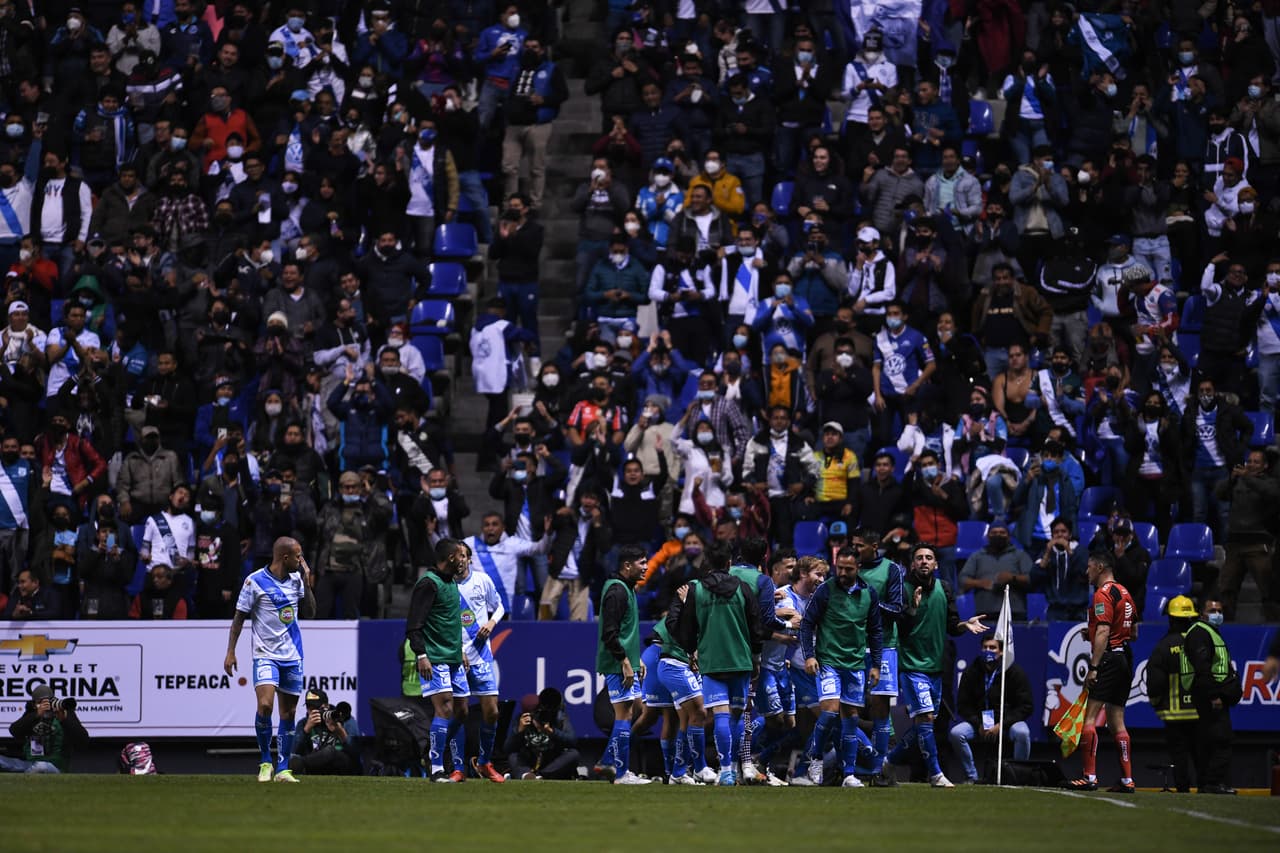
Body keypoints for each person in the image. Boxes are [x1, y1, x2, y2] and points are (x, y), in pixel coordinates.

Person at [887, 543, 988, 787]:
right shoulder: (903, 588)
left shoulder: (945, 588)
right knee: (926, 718)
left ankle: (888, 762)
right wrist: (912, 607)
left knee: (926, 723)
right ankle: (935, 774)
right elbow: (897, 625)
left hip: (935, 667)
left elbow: (952, 625)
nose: (923, 561)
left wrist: (964, 625)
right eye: (919, 557)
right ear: (912, 564)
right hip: (911, 665)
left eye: (928, 558)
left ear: (935, 564)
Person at [668, 540, 762, 786]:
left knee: (720, 714)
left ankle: (726, 770)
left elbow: (686, 627)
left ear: (707, 563)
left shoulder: (696, 590)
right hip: (741, 660)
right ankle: (736, 767)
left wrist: (691, 651)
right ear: (729, 563)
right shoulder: (743, 588)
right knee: (738, 715)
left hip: (711, 661)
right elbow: (755, 625)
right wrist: (757, 656)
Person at [223, 536, 316, 783]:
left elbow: (311, 613)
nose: (302, 560)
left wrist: (307, 584)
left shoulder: (297, 579)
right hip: (265, 655)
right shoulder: (254, 581)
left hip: (293, 655)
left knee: (289, 712)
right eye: (298, 556)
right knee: (265, 706)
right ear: (284, 557)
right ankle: (266, 762)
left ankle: (283, 769)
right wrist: (231, 651)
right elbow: (239, 618)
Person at [797, 545, 882, 788]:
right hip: (828, 661)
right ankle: (815, 758)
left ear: (859, 568)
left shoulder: (869, 594)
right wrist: (810, 656)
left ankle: (849, 774)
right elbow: (806, 624)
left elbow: (875, 631)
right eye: (839, 567)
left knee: (852, 718)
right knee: (831, 711)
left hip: (855, 664)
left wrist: (876, 664)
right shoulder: (825, 590)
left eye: (848, 568)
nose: (842, 572)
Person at [1064, 551, 1136, 792]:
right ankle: (1127, 780)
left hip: (1109, 658)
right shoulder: (1125, 593)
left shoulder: (1102, 594)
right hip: (1125, 656)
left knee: (1090, 718)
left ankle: (1090, 777)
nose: (1087, 572)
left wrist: (1094, 667)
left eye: (1089, 567)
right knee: (1117, 721)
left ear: (1100, 566)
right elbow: (1133, 632)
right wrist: (1093, 634)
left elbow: (1104, 632)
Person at [406, 538, 467, 783]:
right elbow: (413, 625)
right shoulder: (428, 584)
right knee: (444, 708)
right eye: (462, 555)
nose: (465, 560)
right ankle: (436, 766)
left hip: (454, 656)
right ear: (451, 557)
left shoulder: (451, 582)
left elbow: (450, 621)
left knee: (462, 711)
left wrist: (460, 650)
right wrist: (422, 655)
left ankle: (433, 749)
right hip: (434, 656)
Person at [596, 544, 650, 785]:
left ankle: (607, 761)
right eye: (641, 563)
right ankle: (619, 771)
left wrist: (636, 656)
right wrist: (625, 662)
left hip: (627, 661)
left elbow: (626, 630)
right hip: (617, 663)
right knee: (625, 713)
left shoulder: (627, 588)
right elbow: (610, 633)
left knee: (636, 707)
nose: (647, 567)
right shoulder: (616, 592)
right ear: (627, 566)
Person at [453, 545, 507, 784]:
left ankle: (485, 762)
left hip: (482, 656)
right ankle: (457, 768)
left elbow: (501, 607)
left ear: (469, 559)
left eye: (463, 555)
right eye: (455, 556)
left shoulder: (482, 580)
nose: (460, 560)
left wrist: (492, 624)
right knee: (459, 712)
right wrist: (455, 651)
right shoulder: (445, 586)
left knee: (492, 712)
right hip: (456, 658)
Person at [949, 635, 1034, 784]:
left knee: (1022, 733)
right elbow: (963, 706)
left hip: (1006, 722)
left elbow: (1026, 706)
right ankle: (972, 776)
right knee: (957, 733)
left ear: (1001, 652)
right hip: (980, 723)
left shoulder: (1014, 672)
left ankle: (1018, 775)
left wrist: (1002, 725)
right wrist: (978, 724)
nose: (988, 650)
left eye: (992, 647)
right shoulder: (972, 671)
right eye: (985, 647)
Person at [1181, 598, 1241, 794]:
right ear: (1201, 613)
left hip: (1212, 694)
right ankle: (1213, 783)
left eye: (1219, 610)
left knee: (1211, 739)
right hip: (1209, 696)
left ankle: (1208, 783)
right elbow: (1202, 667)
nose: (1217, 614)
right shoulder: (1200, 633)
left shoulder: (1209, 632)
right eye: (1212, 610)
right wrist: (1214, 695)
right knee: (1221, 739)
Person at [1215, 448, 1280, 622]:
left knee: (1269, 590)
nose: (1251, 465)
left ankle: (1274, 628)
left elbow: (1271, 493)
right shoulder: (1238, 481)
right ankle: (1225, 627)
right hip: (1235, 544)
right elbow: (1219, 494)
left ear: (1265, 466)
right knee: (1226, 589)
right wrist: (1230, 480)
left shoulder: (1270, 482)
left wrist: (1247, 478)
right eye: (1249, 461)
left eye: (1256, 462)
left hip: (1258, 545)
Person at [1146, 595, 1201, 793]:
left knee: (1179, 756)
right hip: (1199, 712)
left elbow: (1155, 682)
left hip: (1174, 713)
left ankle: (1183, 788)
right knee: (1200, 754)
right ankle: (1205, 787)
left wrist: (1155, 702)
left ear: (1171, 619)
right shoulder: (1201, 642)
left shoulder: (1164, 646)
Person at [0, 685, 89, 773]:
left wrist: (64, 720)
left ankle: (25, 777)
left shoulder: (64, 713)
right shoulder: (32, 713)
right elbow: (14, 731)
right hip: (30, 763)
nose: (46, 706)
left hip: (55, 766)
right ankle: (28, 774)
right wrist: (36, 715)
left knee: (41, 766)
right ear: (35, 704)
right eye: (41, 703)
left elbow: (83, 740)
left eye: (48, 702)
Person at [960, 521, 1032, 621]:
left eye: (1002, 532)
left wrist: (1012, 578)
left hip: (1014, 611)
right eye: (994, 533)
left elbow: (1031, 579)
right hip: (985, 612)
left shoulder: (1020, 555)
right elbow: (963, 580)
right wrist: (980, 583)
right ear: (988, 536)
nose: (998, 535)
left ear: (1009, 536)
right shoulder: (977, 556)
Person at [505, 689, 580, 781]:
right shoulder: (521, 720)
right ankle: (525, 774)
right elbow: (508, 749)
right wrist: (519, 731)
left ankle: (541, 776)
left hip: (551, 761)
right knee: (513, 756)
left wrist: (552, 731)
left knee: (573, 754)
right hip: (529, 759)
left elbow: (572, 741)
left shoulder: (558, 718)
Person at [287, 688, 360, 777]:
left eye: (315, 707)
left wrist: (340, 732)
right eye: (309, 707)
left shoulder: (344, 719)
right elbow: (293, 752)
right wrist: (306, 730)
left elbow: (357, 753)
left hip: (342, 766)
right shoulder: (303, 723)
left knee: (330, 751)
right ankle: (302, 764)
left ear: (326, 706)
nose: (312, 711)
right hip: (315, 767)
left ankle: (302, 764)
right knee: (297, 759)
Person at [1030, 517, 1089, 621]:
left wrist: (1069, 551)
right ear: (1052, 535)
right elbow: (1034, 577)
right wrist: (1047, 554)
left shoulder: (1081, 551)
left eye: (1063, 531)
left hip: (1078, 611)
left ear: (1070, 535)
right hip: (1055, 611)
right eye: (1056, 532)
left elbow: (1084, 574)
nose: (1060, 535)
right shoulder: (1046, 552)